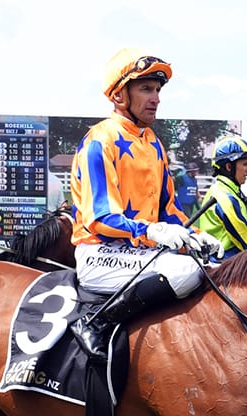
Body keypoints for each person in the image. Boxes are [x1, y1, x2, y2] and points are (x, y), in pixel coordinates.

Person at [69, 48, 221, 359]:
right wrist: (154, 232)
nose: (156, 98)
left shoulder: (153, 142)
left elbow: (169, 211)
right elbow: (99, 218)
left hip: (140, 252)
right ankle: (96, 323)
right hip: (98, 253)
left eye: (158, 90)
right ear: (120, 96)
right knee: (186, 272)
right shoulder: (100, 141)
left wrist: (193, 235)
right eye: (146, 89)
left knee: (216, 270)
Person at [196, 135, 247, 258]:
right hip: (224, 266)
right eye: (245, 164)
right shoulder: (225, 197)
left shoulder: (224, 190)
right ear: (229, 167)